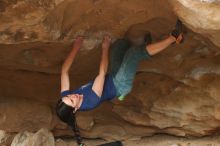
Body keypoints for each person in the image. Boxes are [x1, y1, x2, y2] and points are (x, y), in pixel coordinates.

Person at [56, 20, 184, 146]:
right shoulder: (90, 101)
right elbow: (101, 72)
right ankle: (174, 38)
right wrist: (105, 48)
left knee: (120, 45)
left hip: (112, 75)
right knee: (133, 55)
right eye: (72, 100)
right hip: (120, 84)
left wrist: (76, 47)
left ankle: (146, 49)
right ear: (75, 109)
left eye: (68, 96)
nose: (72, 96)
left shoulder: (66, 98)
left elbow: (64, 71)